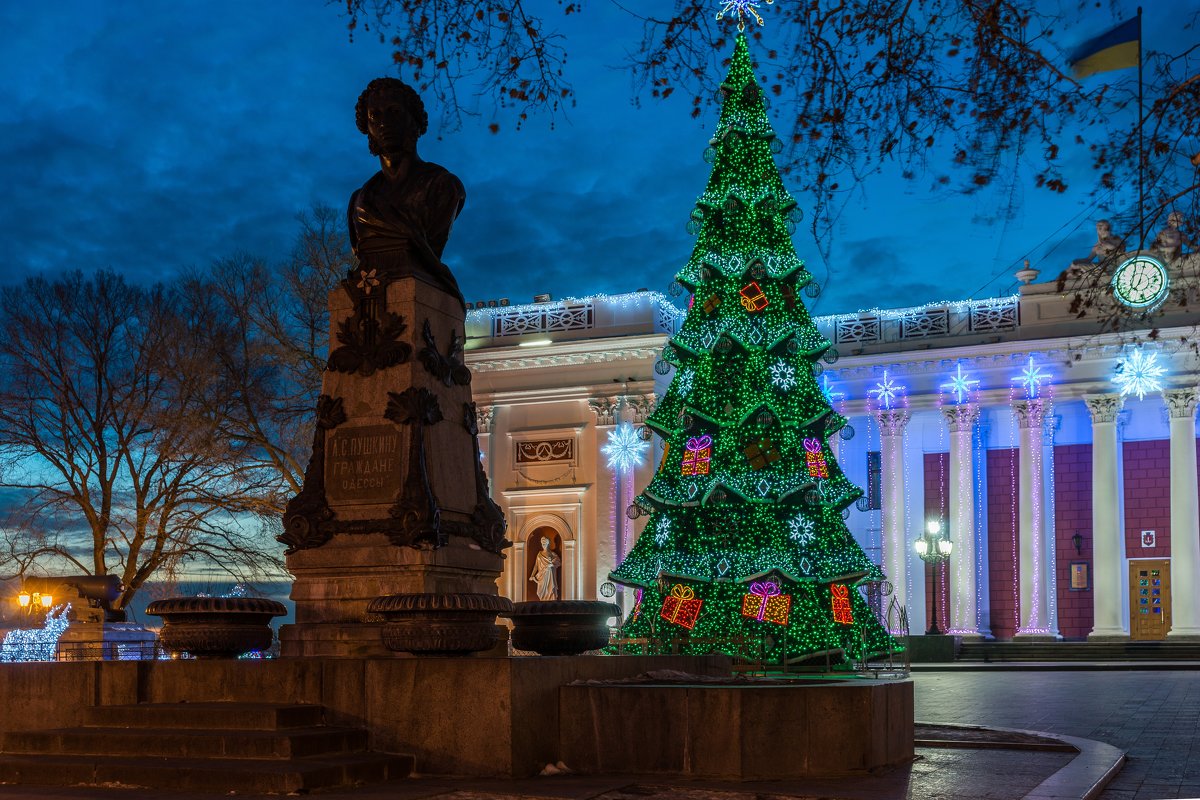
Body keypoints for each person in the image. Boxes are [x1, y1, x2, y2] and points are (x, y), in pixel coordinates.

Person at [349, 77, 466, 307]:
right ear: (367, 128)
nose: (384, 122)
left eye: (394, 112)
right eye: (375, 115)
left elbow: (432, 247)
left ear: (413, 121)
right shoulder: (359, 202)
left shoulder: (443, 187)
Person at [531, 536, 561, 601]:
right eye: (542, 543)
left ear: (548, 543)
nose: (543, 544)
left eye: (544, 543)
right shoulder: (539, 554)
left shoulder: (553, 554)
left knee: (551, 589)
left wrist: (551, 564)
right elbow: (536, 566)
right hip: (541, 576)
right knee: (540, 592)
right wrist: (532, 575)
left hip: (550, 575)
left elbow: (558, 562)